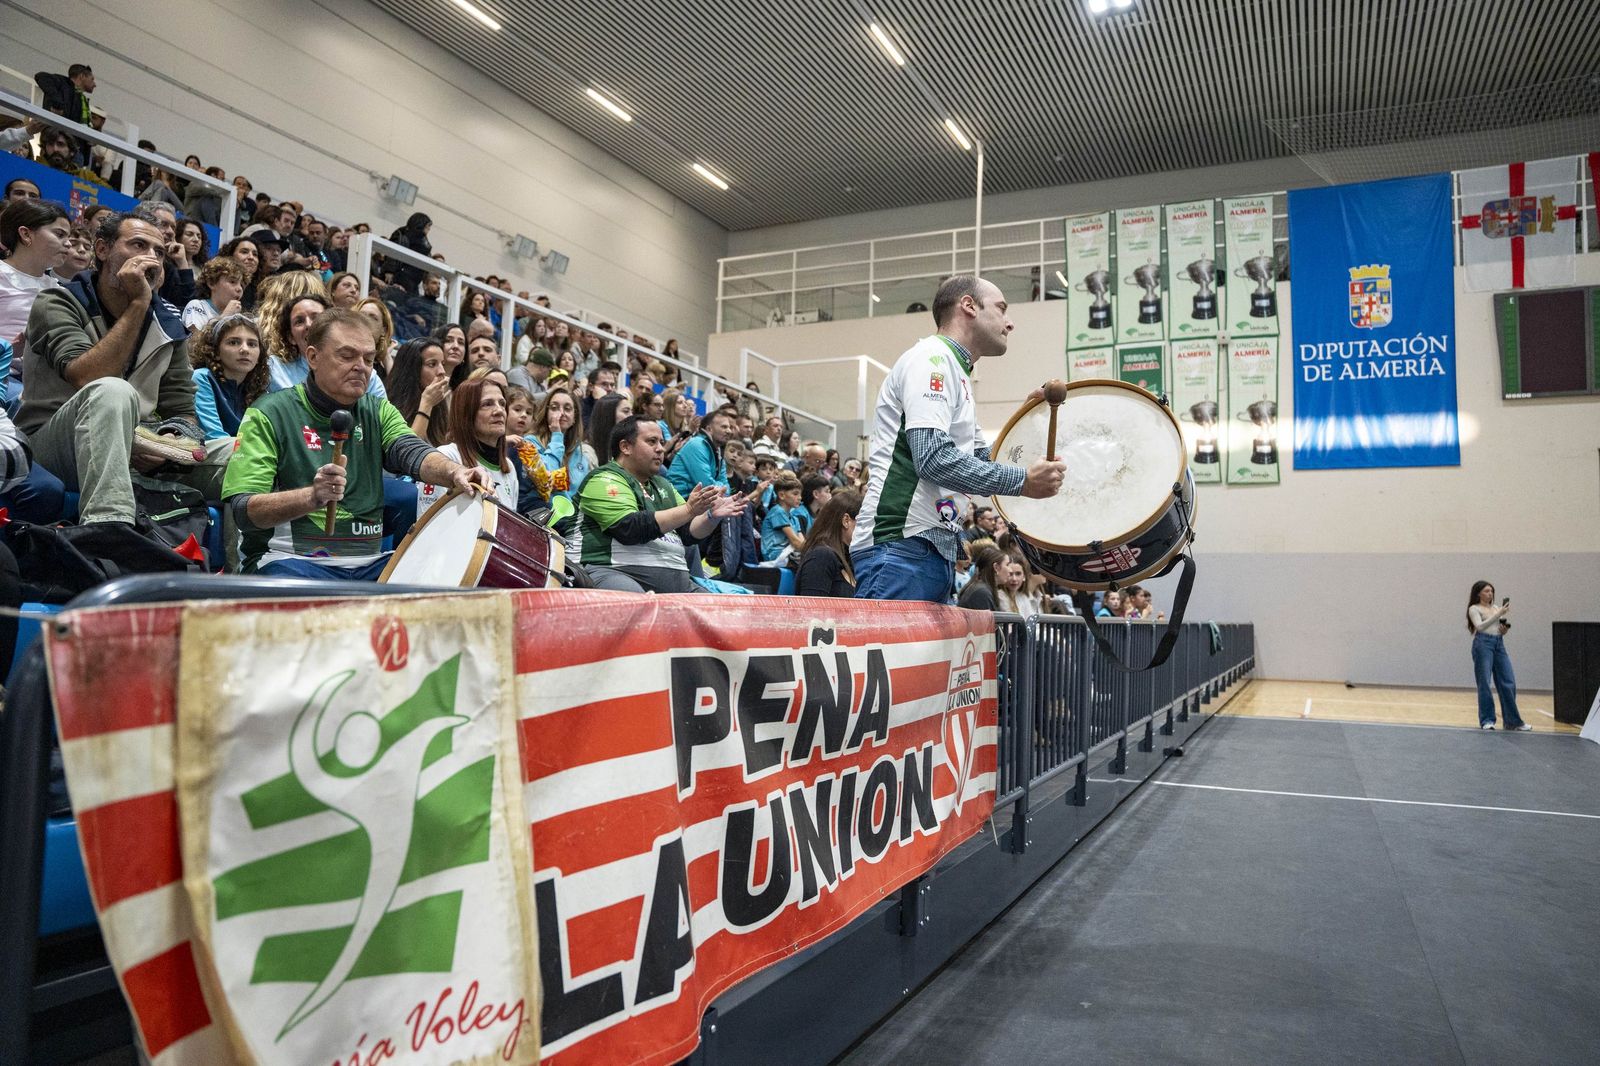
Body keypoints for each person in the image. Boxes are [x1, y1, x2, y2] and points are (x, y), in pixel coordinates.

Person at [223, 308, 489, 578]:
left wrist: (455, 471)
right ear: (313, 357)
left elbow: (411, 451)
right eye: (347, 355)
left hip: (369, 564)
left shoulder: (378, 410)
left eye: (369, 359)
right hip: (288, 561)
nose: (361, 366)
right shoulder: (269, 412)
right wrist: (311, 497)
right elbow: (245, 510)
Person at [852, 274, 1065, 603]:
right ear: (968, 305)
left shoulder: (956, 373)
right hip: (901, 542)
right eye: (1002, 309)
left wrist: (1022, 424)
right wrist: (1024, 481)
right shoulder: (932, 360)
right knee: (895, 656)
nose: (1010, 324)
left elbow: (981, 463)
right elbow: (934, 459)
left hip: (927, 547)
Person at [20, 209, 233, 524]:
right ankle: (111, 530)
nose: (151, 258)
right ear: (103, 250)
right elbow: (87, 377)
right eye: (138, 245)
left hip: (136, 447)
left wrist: (168, 445)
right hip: (53, 446)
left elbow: (182, 410)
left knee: (239, 451)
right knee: (111, 390)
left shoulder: (168, 326)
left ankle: (260, 561)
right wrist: (138, 304)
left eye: (159, 252)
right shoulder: (57, 301)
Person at [575, 415, 748, 593]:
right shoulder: (604, 478)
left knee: (718, 611)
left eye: (661, 442)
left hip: (678, 585)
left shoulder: (663, 485)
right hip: (613, 572)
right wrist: (689, 510)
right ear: (625, 447)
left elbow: (688, 533)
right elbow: (630, 527)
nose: (660, 449)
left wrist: (711, 517)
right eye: (652, 442)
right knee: (638, 605)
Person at [418, 374, 515, 519]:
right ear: (466, 413)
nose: (499, 411)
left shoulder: (509, 467)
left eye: (502, 403)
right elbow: (426, 526)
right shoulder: (445, 457)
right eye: (487, 404)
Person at [0, 199, 70, 402]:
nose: (68, 243)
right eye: (59, 234)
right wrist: (8, 351)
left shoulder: (58, 290)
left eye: (69, 236)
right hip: (7, 379)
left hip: (42, 381)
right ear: (25, 234)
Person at [189, 312, 267, 440]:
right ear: (215, 351)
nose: (245, 349)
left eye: (252, 344)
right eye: (234, 342)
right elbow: (214, 437)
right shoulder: (202, 378)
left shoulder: (258, 390)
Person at [1467, 581, 1529, 731]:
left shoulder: (1495, 608)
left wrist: (1503, 630)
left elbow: (1497, 628)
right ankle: (1487, 720)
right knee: (1484, 682)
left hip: (1498, 643)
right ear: (1478, 594)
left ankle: (1512, 721)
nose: (1490, 594)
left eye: (1491, 591)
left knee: (1508, 681)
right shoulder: (1474, 608)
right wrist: (1499, 614)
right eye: (1487, 591)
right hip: (1483, 644)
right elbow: (1480, 626)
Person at [795, 489, 862, 598]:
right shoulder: (821, 556)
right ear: (846, 520)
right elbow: (812, 611)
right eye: (863, 522)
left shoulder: (849, 558)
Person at [387, 337, 451, 444]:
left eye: (442, 364)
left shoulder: (439, 407)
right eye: (432, 364)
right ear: (412, 370)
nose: (442, 371)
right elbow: (409, 453)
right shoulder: (389, 409)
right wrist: (427, 404)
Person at [182, 256, 246, 333]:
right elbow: (195, 340)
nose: (239, 289)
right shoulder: (196, 305)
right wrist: (224, 318)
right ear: (212, 283)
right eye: (232, 282)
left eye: (241, 284)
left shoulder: (238, 317)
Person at [761, 472, 810, 562]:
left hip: (789, 553)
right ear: (782, 495)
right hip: (774, 555)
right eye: (795, 494)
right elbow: (796, 543)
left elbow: (802, 543)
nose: (800, 498)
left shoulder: (794, 518)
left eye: (800, 494)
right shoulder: (777, 512)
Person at [956, 544, 1009, 611]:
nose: (1010, 570)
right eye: (1007, 564)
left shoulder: (983, 588)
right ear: (996, 567)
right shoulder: (982, 592)